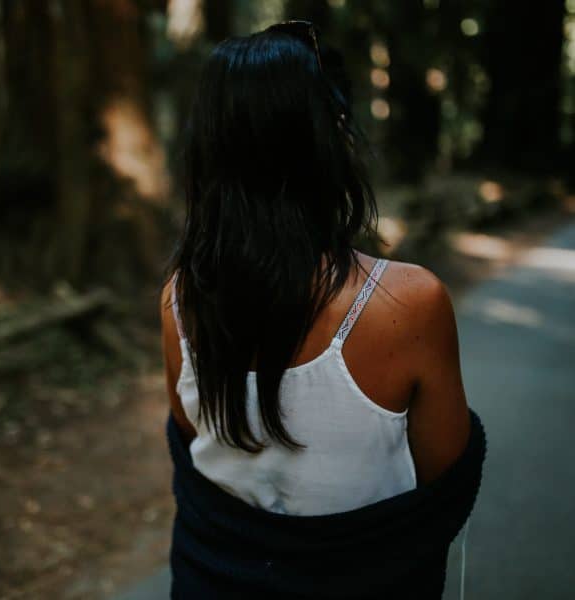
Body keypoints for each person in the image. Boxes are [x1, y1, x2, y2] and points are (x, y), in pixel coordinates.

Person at [159, 20, 485, 599]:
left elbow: (192, 441)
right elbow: (442, 476)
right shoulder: (408, 304)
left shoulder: (181, 300)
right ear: (330, 140)